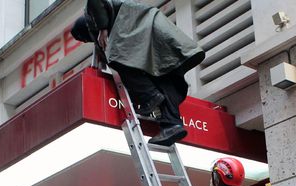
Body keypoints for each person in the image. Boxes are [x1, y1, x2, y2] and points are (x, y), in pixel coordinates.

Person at [71, 0, 205, 146]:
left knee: (118, 58)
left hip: (145, 32)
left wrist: (102, 29)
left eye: (86, 39)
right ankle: (172, 126)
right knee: (165, 78)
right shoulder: (119, 20)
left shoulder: (92, 16)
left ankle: (150, 97)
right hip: (156, 33)